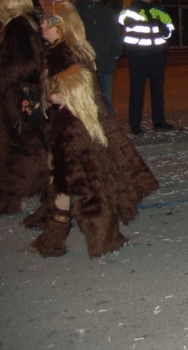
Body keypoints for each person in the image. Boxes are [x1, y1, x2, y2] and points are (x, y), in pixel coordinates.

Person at [24, 0, 158, 233]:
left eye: (47, 21)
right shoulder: (64, 50)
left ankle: (60, 226)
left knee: (67, 172)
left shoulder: (64, 53)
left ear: (60, 26)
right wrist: (39, 101)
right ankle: (60, 216)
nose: (42, 25)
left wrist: (46, 100)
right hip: (76, 120)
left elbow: (65, 93)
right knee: (68, 171)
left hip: (75, 122)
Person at [29, 65, 158, 258]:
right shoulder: (81, 114)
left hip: (71, 176)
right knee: (93, 210)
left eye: (53, 89)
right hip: (87, 174)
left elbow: (65, 153)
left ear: (66, 93)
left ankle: (52, 244)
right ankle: (106, 240)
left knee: (66, 211)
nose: (49, 92)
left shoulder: (66, 120)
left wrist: (58, 174)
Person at [0, 0, 48, 214]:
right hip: (19, 94)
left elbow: (27, 63)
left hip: (16, 95)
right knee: (27, 144)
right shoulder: (22, 24)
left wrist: (2, 73)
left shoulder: (17, 26)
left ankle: (11, 195)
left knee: (18, 146)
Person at [118, 0, 176, 135]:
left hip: (157, 56)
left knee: (158, 90)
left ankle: (159, 121)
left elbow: (170, 27)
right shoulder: (130, 10)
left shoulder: (158, 10)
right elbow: (121, 21)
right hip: (138, 57)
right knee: (137, 90)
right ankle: (135, 124)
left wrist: (165, 32)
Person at [75, 0, 123, 116]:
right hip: (84, 65)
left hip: (105, 63)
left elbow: (116, 34)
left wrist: (115, 54)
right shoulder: (77, 12)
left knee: (106, 104)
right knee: (87, 103)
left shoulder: (106, 12)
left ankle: (108, 128)